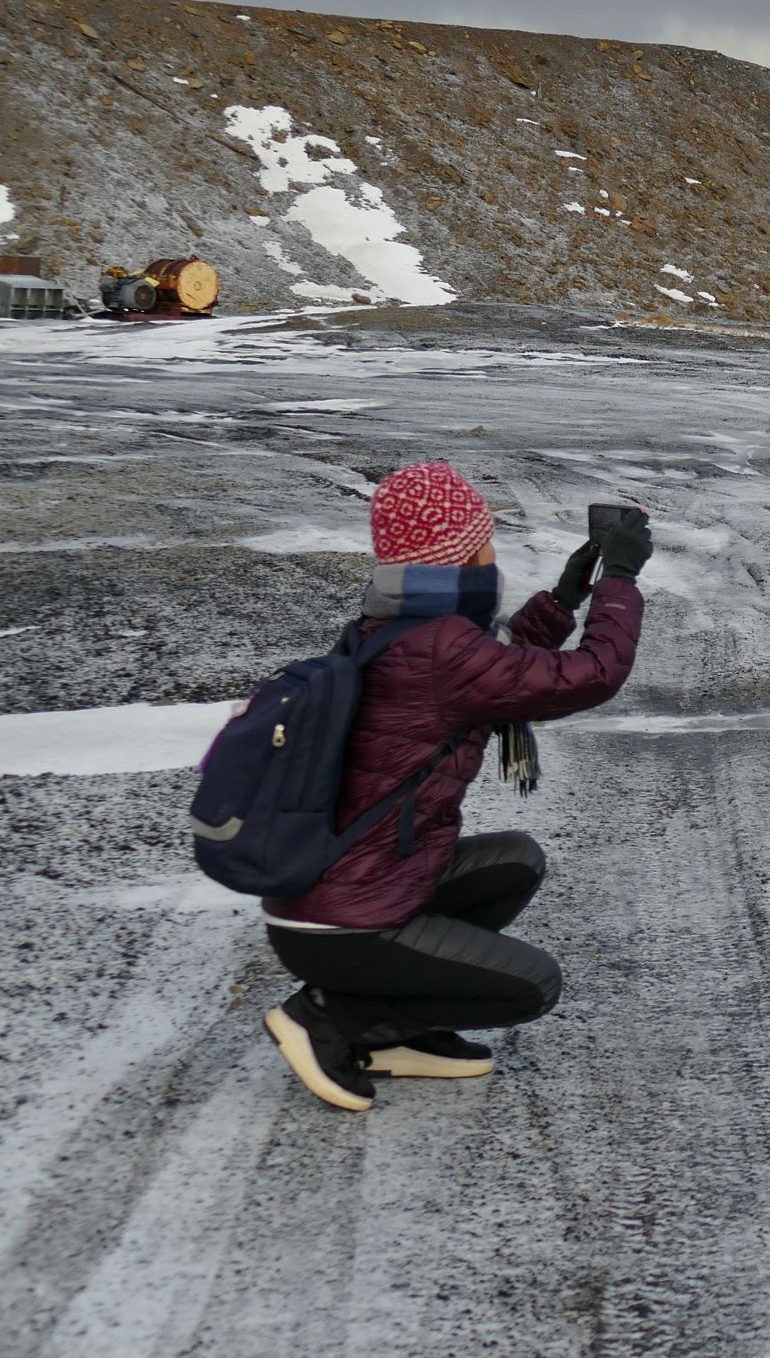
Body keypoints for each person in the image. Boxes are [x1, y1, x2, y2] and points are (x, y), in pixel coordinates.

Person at [259, 461, 650, 1113]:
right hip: (343, 922)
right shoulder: (440, 649)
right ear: (461, 557)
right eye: (485, 541)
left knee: (516, 861)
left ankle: (395, 1032)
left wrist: (565, 596)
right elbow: (593, 672)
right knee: (532, 985)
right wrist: (621, 579)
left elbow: (500, 667)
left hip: (326, 899)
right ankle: (329, 1019)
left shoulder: (398, 628)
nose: (494, 553)